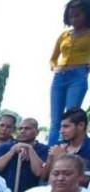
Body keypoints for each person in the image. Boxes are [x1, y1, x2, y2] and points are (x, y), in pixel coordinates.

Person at [48, 0, 90, 146]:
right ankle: (51, 154)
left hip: (78, 77)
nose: (74, 19)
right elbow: (52, 59)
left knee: (71, 118)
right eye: (71, 16)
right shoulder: (64, 35)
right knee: (55, 121)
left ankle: (69, 151)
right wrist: (55, 68)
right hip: (59, 77)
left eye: (78, 15)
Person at [43, 107, 90, 182]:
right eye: (61, 127)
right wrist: (50, 160)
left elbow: (86, 181)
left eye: (66, 126)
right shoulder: (58, 146)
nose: (61, 131)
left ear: (81, 125)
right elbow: (44, 177)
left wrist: (65, 157)